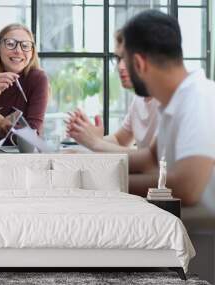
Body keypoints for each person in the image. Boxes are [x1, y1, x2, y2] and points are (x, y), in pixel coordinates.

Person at [121, 10, 215, 210]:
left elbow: (187, 187)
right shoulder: (173, 101)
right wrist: (89, 164)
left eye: (124, 60)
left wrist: (103, 184)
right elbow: (150, 157)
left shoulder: (199, 98)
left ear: (138, 63)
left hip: (204, 239)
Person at [66, 30, 159, 153]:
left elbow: (150, 159)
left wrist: (95, 142)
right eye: (119, 59)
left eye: (127, 58)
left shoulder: (167, 101)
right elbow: (119, 140)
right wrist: (85, 142)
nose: (120, 67)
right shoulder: (139, 99)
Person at [0, 23, 49, 149]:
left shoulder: (38, 79)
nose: (18, 51)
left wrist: (2, 123)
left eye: (25, 46)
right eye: (10, 43)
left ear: (32, 53)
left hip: (27, 158)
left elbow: (32, 137)